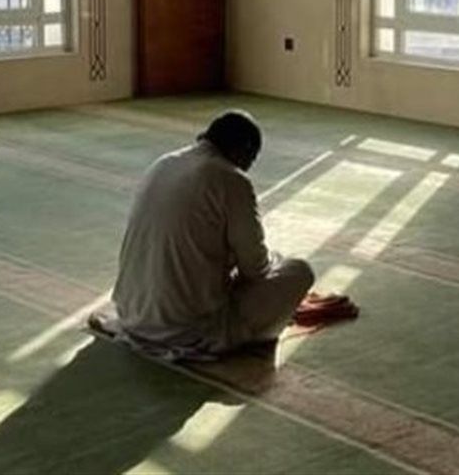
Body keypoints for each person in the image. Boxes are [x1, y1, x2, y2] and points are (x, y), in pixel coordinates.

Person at [109, 110, 314, 356]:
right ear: (244, 150)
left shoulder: (163, 163)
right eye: (251, 160)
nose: (248, 167)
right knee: (299, 270)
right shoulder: (232, 179)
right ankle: (253, 334)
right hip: (187, 329)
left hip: (132, 315)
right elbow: (255, 268)